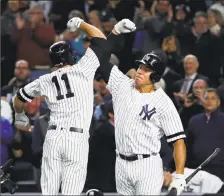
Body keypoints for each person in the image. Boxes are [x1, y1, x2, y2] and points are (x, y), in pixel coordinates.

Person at [12, 17, 134, 195]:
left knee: (49, 192)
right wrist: (81, 24)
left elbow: (18, 98)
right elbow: (101, 41)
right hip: (75, 139)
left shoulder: (44, 80)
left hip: (53, 137)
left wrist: (20, 116)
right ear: (71, 56)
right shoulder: (82, 69)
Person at [94, 22, 187, 195]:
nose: (139, 71)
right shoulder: (121, 85)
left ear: (156, 76)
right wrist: (115, 32)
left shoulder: (163, 102)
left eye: (146, 70)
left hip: (147, 166)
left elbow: (178, 141)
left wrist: (180, 176)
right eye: (140, 67)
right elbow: (99, 58)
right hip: (121, 163)